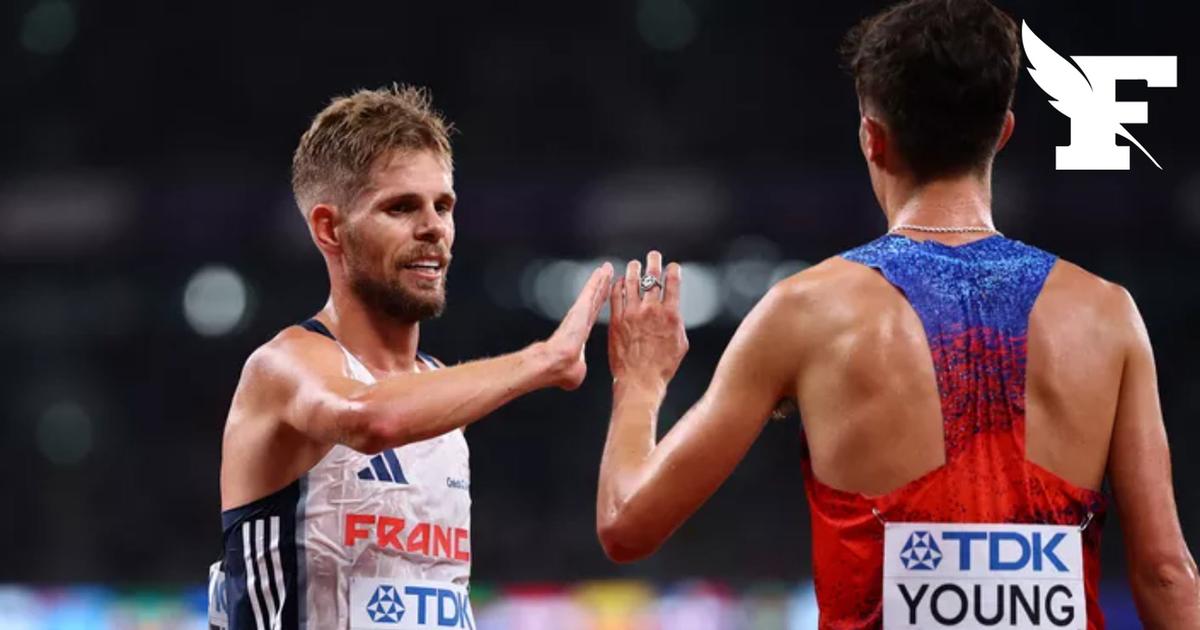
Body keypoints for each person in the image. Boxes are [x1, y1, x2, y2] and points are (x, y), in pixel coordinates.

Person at [594, 1, 1200, 628]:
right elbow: (1164, 571)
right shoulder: (1108, 314)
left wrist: (639, 383)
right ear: (1004, 132)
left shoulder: (806, 311)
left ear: (871, 138)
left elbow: (626, 524)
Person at [207, 85, 613, 630]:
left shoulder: (439, 391)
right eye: (401, 207)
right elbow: (368, 418)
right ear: (330, 228)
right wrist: (544, 359)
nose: (433, 228)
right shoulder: (284, 366)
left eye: (443, 205)